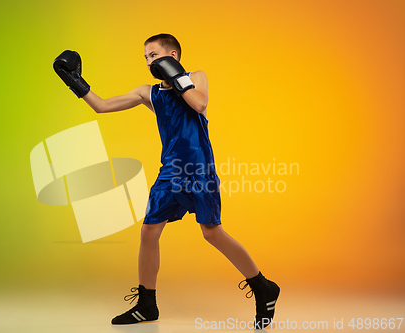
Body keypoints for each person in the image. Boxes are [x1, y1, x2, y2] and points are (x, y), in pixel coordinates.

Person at [53, 33, 280, 330]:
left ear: (172, 56)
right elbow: (102, 106)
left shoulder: (197, 77)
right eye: (146, 57)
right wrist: (72, 80)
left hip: (199, 169)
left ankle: (263, 286)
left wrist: (175, 76)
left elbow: (198, 104)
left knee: (212, 233)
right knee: (148, 233)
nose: (149, 61)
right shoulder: (148, 93)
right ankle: (147, 304)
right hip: (170, 172)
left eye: (154, 55)